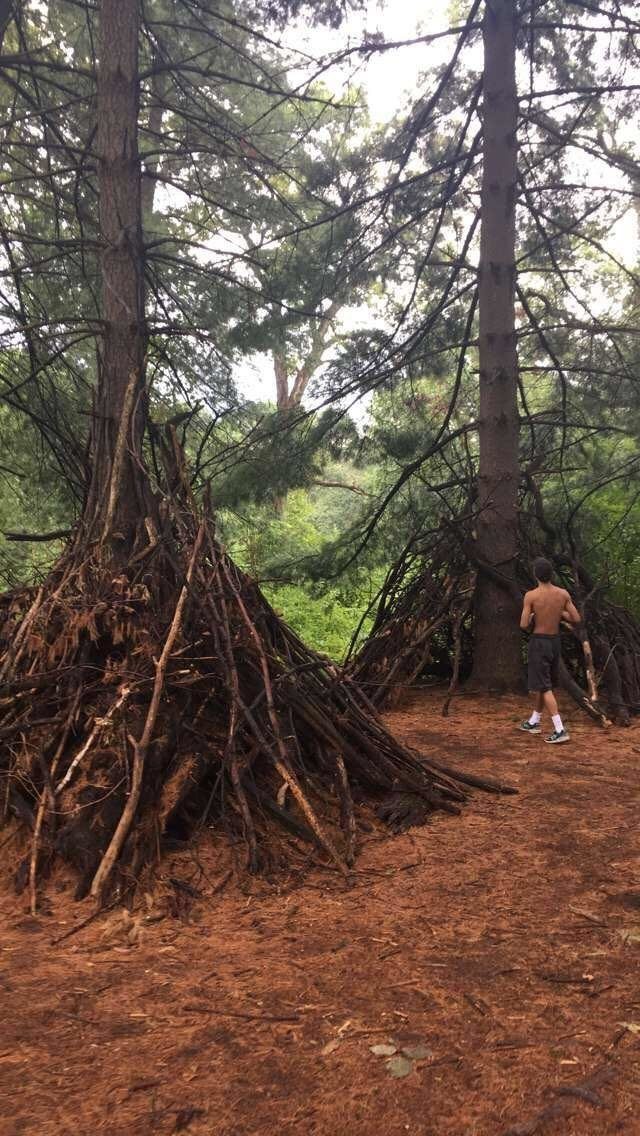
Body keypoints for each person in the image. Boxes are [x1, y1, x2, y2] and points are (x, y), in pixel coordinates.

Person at [518, 557, 581, 744]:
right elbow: (576, 618)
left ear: (535, 575)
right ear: (551, 574)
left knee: (544, 686)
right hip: (555, 642)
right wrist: (560, 612)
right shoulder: (563, 594)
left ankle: (560, 729)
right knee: (544, 683)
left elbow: (523, 624)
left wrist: (530, 616)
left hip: (539, 642)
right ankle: (534, 721)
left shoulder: (531, 596)